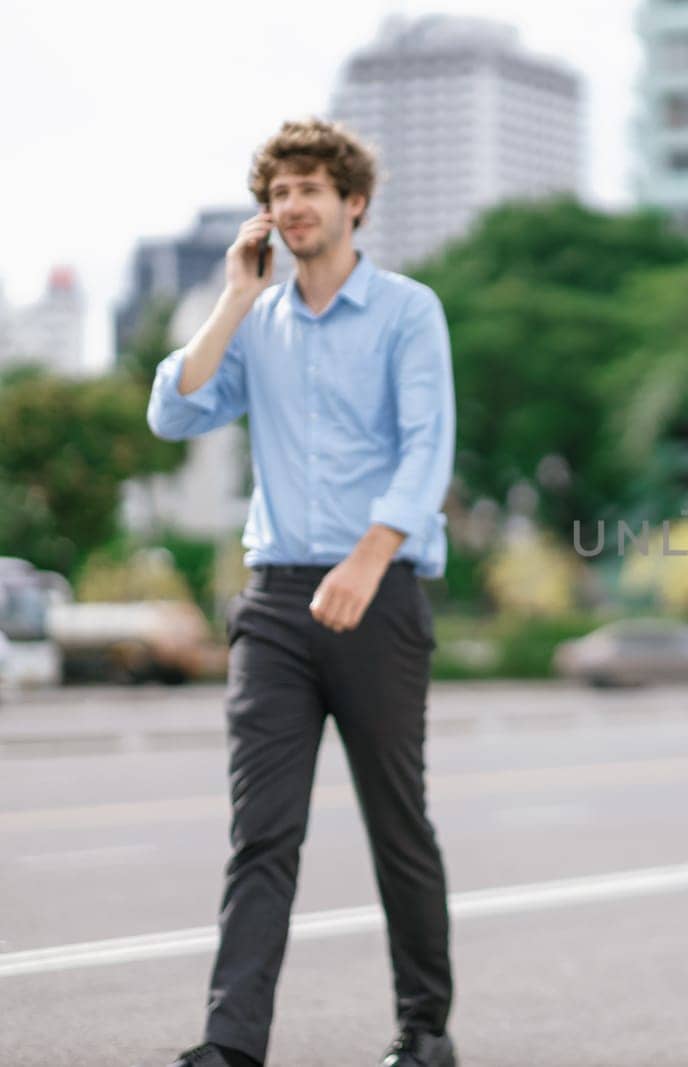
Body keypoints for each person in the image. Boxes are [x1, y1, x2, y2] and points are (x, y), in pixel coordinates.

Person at [146, 117, 458, 1067]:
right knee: (262, 832)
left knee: (395, 821)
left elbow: (426, 447)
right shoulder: (259, 324)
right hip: (277, 603)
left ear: (352, 201)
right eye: (277, 195)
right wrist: (234, 299)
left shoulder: (408, 310)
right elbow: (172, 409)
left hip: (381, 589)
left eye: (308, 191)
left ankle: (424, 1032)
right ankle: (231, 1045)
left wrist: (367, 559)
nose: (291, 208)